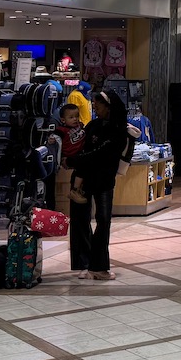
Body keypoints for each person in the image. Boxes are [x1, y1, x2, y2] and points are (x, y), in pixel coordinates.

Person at [68, 87, 134, 281]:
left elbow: (100, 153)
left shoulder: (118, 130)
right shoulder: (93, 125)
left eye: (98, 105)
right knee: (81, 221)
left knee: (103, 221)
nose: (95, 107)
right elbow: (83, 148)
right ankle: (86, 264)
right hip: (84, 178)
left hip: (103, 179)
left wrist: (74, 161)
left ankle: (99, 266)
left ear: (109, 106)